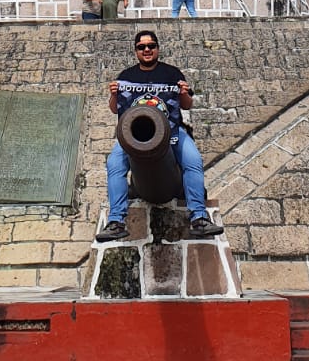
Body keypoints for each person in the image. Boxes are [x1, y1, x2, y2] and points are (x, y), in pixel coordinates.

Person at [95, 29, 223, 241]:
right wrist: (114, 95)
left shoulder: (171, 74)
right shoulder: (127, 76)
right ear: (136, 51)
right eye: (141, 47)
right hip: (134, 135)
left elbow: (187, 105)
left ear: (157, 49)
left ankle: (199, 218)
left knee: (193, 161)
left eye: (151, 46)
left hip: (171, 130)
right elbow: (114, 109)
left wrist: (183, 93)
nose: (147, 50)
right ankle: (116, 221)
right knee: (114, 165)